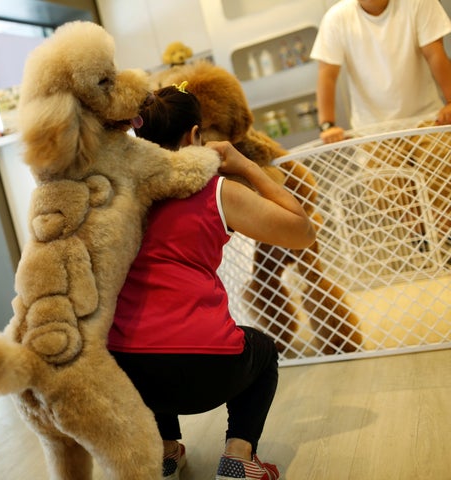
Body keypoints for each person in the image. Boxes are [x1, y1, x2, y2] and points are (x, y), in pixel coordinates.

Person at [109, 83, 316, 480]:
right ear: (194, 137)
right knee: (263, 349)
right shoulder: (216, 190)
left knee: (143, 334)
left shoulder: (116, 192)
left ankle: (165, 450)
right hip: (209, 371)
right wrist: (246, 166)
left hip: (127, 375)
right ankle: (238, 458)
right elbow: (303, 231)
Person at [311, 0, 451, 143]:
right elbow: (327, 74)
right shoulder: (336, 18)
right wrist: (327, 125)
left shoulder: (418, 3)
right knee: (384, 167)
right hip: (371, 131)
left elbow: (435, 55)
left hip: (426, 119)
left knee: (441, 163)